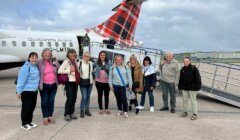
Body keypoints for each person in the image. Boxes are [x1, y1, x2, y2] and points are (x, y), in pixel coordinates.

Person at [16, 52, 40, 130]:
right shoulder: (26, 67)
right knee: (26, 108)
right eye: (32, 58)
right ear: (29, 58)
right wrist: (18, 91)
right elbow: (21, 80)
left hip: (34, 91)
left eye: (35, 58)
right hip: (26, 91)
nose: (34, 59)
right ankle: (24, 123)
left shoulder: (35, 66)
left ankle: (29, 121)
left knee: (32, 107)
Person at [38, 48, 60, 125]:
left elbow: (59, 69)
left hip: (53, 85)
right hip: (44, 85)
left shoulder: (53, 61)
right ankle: (45, 117)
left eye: (48, 53)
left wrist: (56, 63)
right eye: (45, 53)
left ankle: (50, 116)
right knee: (44, 102)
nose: (47, 54)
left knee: (51, 101)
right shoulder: (39, 62)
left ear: (51, 54)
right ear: (43, 54)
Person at [58, 49, 80, 121]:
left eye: (74, 53)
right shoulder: (66, 61)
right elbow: (59, 71)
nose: (73, 54)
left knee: (74, 98)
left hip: (75, 82)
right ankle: (67, 114)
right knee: (70, 98)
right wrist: (69, 70)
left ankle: (72, 112)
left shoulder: (75, 61)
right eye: (71, 53)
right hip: (69, 83)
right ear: (68, 54)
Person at [79, 52, 94, 118]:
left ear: (89, 57)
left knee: (88, 96)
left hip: (90, 82)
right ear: (82, 56)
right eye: (85, 56)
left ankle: (87, 110)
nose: (86, 57)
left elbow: (93, 72)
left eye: (88, 56)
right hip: (82, 82)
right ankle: (82, 110)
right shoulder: (79, 63)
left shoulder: (91, 63)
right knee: (84, 97)